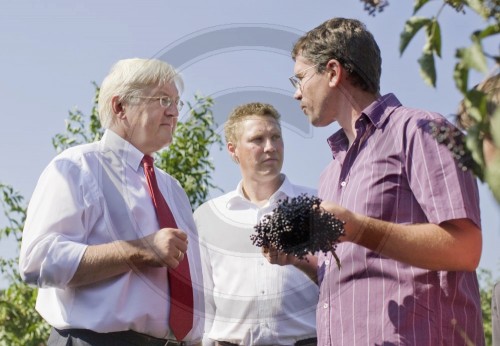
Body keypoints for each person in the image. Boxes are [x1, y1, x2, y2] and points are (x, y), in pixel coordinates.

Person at [265, 18, 485, 345]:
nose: (297, 94)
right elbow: (346, 271)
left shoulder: (421, 130)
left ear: (333, 72)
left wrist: (357, 227)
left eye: (300, 78)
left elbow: (465, 248)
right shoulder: (331, 173)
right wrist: (296, 256)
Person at [19, 58, 204, 345]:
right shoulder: (76, 167)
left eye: (177, 102)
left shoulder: (173, 189)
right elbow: (38, 261)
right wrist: (141, 250)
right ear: (120, 107)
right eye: (164, 100)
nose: (174, 112)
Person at [194, 102, 319, 346]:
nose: (270, 147)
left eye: (276, 137)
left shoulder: (317, 206)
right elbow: (203, 303)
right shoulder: (207, 216)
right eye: (257, 139)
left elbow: (338, 281)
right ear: (233, 150)